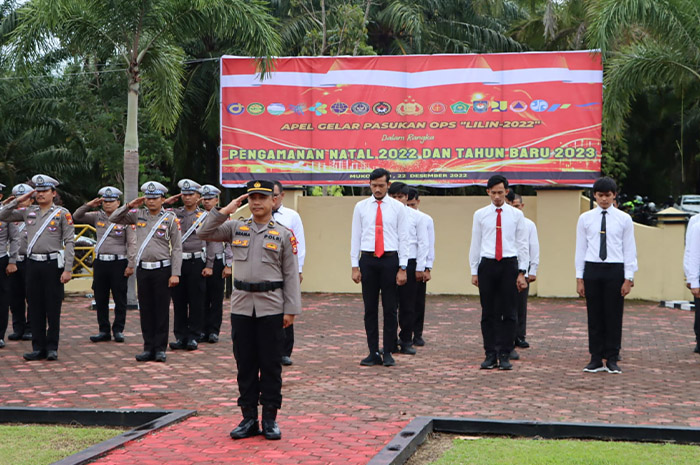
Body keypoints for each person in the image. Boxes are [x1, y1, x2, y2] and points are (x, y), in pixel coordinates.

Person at [197, 180, 301, 441]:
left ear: (273, 201)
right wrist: (227, 209)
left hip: (272, 306)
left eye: (262, 198)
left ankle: (269, 419)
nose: (256, 203)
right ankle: (248, 418)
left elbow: (291, 275)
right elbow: (203, 232)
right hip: (242, 306)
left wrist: (291, 310)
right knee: (245, 364)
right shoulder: (235, 227)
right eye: (252, 197)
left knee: (270, 364)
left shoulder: (284, 233)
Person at [0, 174, 75, 361]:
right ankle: (38, 347)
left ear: (53, 193)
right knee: (34, 306)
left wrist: (68, 268)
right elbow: (3, 215)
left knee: (52, 306)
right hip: (32, 263)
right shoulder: (28, 212)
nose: (40, 194)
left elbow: (69, 242)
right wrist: (19, 199)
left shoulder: (61, 213)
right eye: (38, 191)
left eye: (44, 191)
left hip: (52, 264)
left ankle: (51, 347)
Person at [110, 181, 182, 363]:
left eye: (155, 198)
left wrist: (175, 273)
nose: (151, 202)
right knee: (146, 310)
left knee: (161, 310)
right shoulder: (138, 215)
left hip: (162, 269)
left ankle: (160, 348)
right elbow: (113, 218)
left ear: (163, 200)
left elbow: (178, 248)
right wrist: (129, 205)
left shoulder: (170, 219)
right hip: (143, 270)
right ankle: (148, 347)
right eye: (148, 198)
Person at [576, 176, 637, 374]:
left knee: (613, 314)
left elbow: (629, 249)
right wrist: (580, 277)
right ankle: (595, 357)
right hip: (593, 268)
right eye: (600, 196)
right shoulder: (585, 219)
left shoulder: (624, 219)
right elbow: (581, 248)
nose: (604, 200)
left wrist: (629, 277)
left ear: (614, 195)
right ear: (594, 196)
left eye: (608, 196)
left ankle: (612, 357)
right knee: (594, 315)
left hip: (614, 268)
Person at [350, 168, 409, 367]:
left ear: (388, 185)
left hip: (390, 260)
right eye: (374, 185)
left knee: (391, 309)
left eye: (381, 185)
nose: (377, 189)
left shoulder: (398, 208)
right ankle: (373, 351)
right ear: (369, 185)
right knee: (370, 309)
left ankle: (389, 351)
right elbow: (355, 236)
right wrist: (354, 265)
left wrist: (403, 267)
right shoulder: (361, 207)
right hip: (368, 260)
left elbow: (404, 238)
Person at [469, 175, 528, 371]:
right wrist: (474, 269)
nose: (496, 196)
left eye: (500, 192)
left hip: (509, 264)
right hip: (488, 264)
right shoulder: (480, 214)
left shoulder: (516, 215)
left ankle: (505, 353)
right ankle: (490, 353)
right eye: (493, 193)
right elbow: (475, 242)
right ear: (487, 192)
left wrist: (522, 272)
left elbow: (522, 244)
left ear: (506, 192)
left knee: (509, 312)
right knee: (488, 312)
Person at [73, 187, 136, 343]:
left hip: (118, 262)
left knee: (119, 297)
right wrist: (89, 204)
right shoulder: (97, 216)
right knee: (100, 297)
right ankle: (103, 330)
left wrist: (131, 263)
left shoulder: (126, 219)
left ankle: (118, 330)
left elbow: (132, 243)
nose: (107, 204)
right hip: (101, 262)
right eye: (105, 201)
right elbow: (77, 216)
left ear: (118, 203)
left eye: (111, 201)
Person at [165, 179, 206, 351]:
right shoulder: (174, 213)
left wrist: (209, 264)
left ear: (198, 197)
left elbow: (212, 242)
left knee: (196, 300)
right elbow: (155, 210)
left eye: (191, 195)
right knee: (179, 300)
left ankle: (194, 336)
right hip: (178, 261)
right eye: (185, 194)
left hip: (197, 260)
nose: (187, 198)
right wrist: (168, 201)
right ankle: (180, 336)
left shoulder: (205, 215)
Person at [388, 182, 428, 356]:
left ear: (407, 198)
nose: (397, 200)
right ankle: (390, 342)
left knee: (408, 304)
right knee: (390, 304)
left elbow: (423, 243)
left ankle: (406, 340)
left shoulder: (417, 217)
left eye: (401, 197)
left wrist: (421, 267)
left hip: (410, 263)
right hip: (390, 260)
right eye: (394, 197)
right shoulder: (385, 215)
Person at [271, 181, 306, 366]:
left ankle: (285, 350)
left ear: (282, 196)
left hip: (286, 270)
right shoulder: (255, 216)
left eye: (275, 195)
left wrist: (298, 269)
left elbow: (298, 244)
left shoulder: (292, 216)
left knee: (287, 308)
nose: (272, 199)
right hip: (265, 271)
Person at [506, 192, 540, 358]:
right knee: (505, 305)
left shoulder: (529, 225)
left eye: (518, 206)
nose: (516, 209)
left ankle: (520, 336)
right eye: (512, 206)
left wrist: (532, 269)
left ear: (522, 206)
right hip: (506, 267)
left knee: (520, 305)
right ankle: (507, 338)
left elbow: (533, 247)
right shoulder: (504, 223)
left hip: (523, 268)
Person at [199, 184, 233, 344]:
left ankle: (213, 330)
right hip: (200, 261)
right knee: (201, 298)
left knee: (216, 298)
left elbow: (230, 243)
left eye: (209, 199)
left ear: (217, 199)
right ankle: (202, 330)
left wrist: (229, 264)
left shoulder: (223, 216)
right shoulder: (197, 216)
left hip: (219, 261)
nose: (206, 202)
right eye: (204, 199)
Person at [407, 187, 434, 347]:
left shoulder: (425, 219)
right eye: (407, 204)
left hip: (420, 263)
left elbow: (429, 244)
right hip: (404, 263)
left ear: (418, 201)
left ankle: (417, 334)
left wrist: (427, 267)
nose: (410, 208)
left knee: (417, 302)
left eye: (412, 204)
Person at [6, 184, 34, 342]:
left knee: (32, 297)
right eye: (19, 199)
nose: (22, 202)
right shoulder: (10, 216)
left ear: (31, 200)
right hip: (13, 261)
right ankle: (18, 328)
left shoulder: (35, 215)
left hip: (30, 260)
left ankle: (31, 328)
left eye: (26, 199)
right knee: (15, 297)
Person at [0, 182, 20, 349]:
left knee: (2, 299)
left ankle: (0, 335)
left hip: (1, 260)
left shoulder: (6, 215)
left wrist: (12, 261)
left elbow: (14, 239)